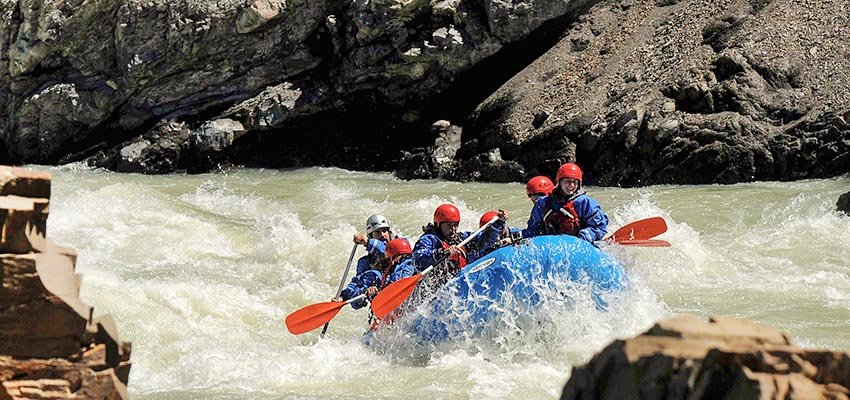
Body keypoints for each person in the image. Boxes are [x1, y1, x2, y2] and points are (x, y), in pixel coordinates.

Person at [413, 204, 506, 289]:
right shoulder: (429, 239)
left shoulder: (461, 239)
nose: (453, 229)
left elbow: (484, 241)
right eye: (449, 225)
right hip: (435, 290)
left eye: (455, 225)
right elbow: (418, 259)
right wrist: (441, 253)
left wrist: (498, 223)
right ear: (438, 224)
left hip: (457, 286)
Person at [522, 163, 608, 242]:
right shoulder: (543, 203)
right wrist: (516, 235)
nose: (571, 185)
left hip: (579, 244)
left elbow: (599, 227)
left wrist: (582, 238)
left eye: (575, 182)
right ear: (559, 182)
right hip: (552, 245)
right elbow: (533, 230)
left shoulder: (585, 202)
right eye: (567, 181)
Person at [336, 238, 415, 310]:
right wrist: (368, 293)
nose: (382, 235)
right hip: (383, 307)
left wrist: (367, 242)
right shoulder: (372, 272)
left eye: (384, 231)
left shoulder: (408, 260)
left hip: (407, 304)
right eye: (377, 232)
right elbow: (355, 298)